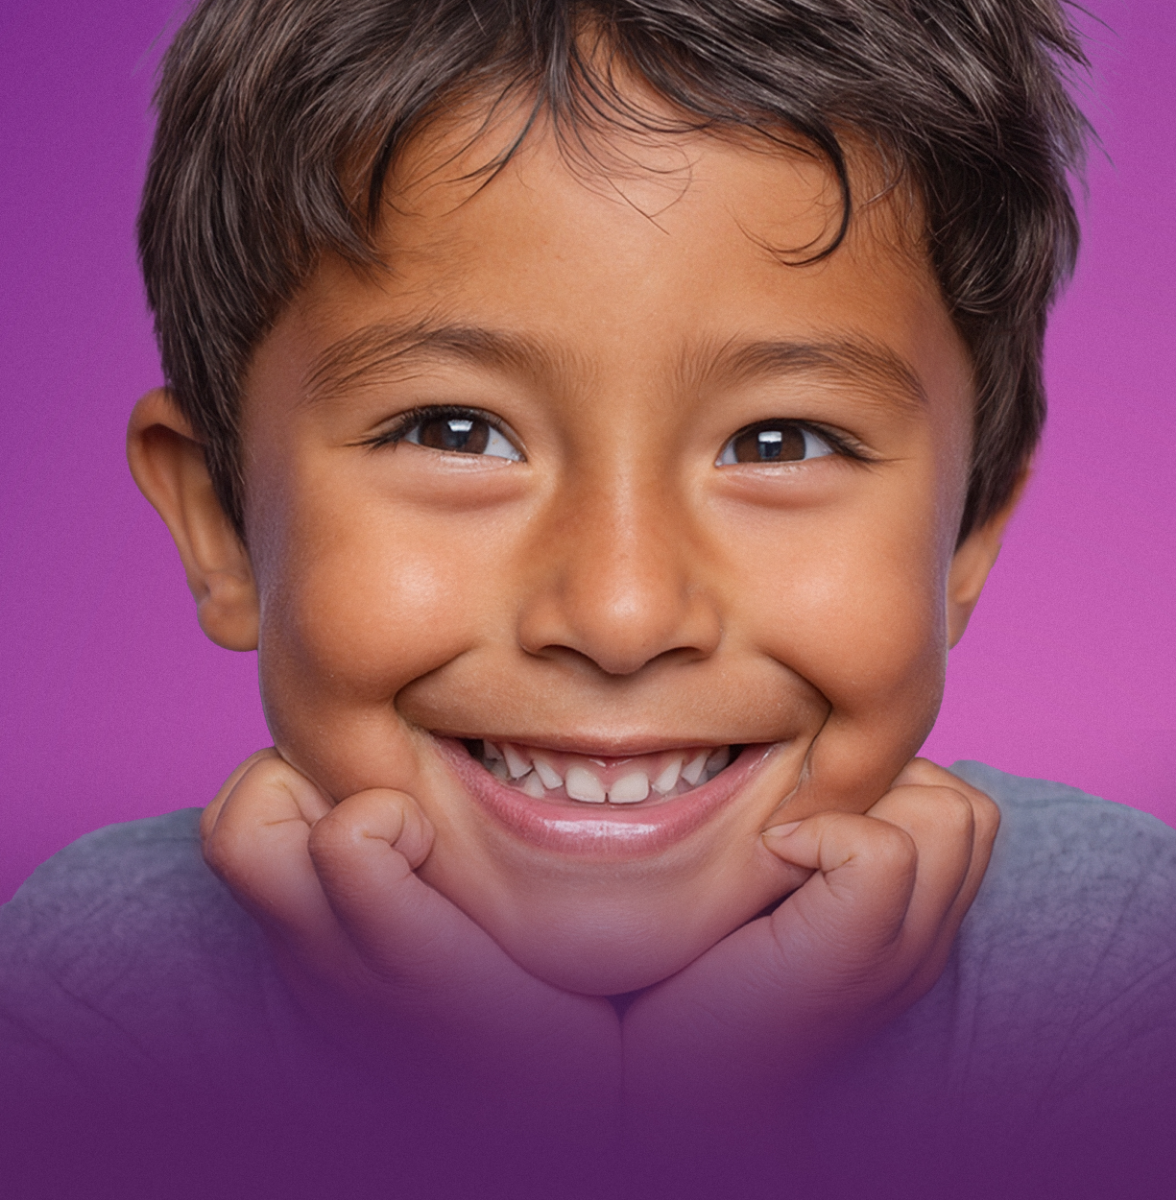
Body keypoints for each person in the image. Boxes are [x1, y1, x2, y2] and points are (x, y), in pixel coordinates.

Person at [2, 1, 1174, 1197]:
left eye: (778, 441)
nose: (620, 615)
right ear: (221, 524)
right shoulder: (100, 1000)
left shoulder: (1114, 977)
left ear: (967, 535)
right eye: (456, 431)